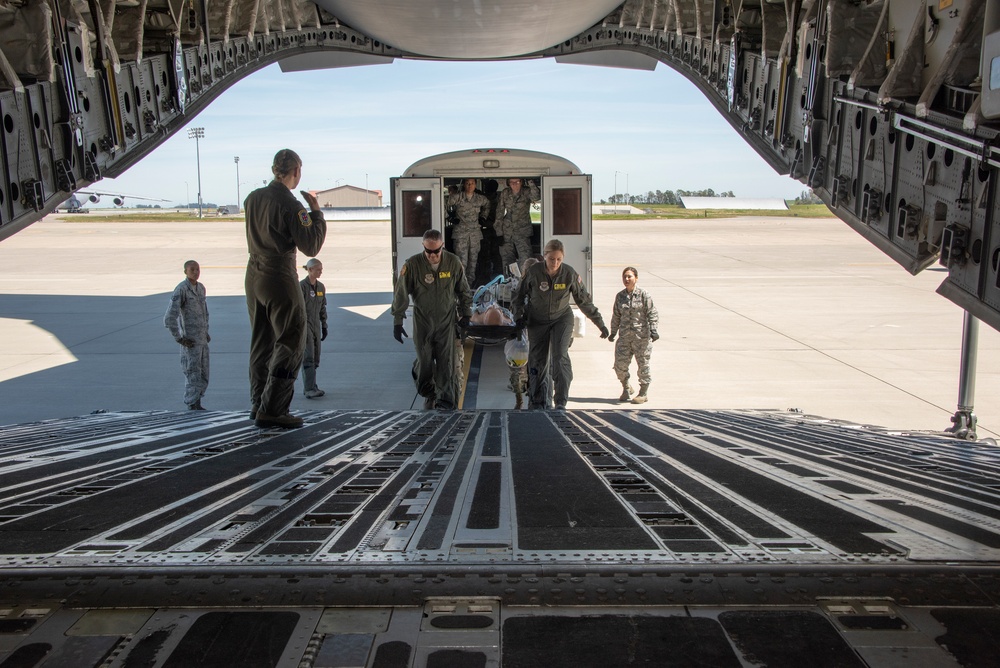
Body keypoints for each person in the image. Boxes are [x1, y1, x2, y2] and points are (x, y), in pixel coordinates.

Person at [244, 149, 326, 429]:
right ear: (296, 172)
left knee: (261, 340)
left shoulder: (253, 198)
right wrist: (316, 213)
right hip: (278, 274)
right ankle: (274, 408)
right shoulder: (293, 205)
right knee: (291, 338)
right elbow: (310, 247)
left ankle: (258, 404)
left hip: (253, 275)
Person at [512, 239, 610, 410]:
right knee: (537, 362)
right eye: (551, 259)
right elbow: (518, 296)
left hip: (561, 319)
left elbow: (584, 300)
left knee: (560, 357)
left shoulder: (569, 274)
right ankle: (537, 401)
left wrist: (599, 323)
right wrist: (518, 316)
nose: (555, 263)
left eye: (559, 259)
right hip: (537, 320)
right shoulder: (534, 272)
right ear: (545, 256)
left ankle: (561, 401)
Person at [391, 229, 472, 410]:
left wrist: (466, 314)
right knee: (424, 364)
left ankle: (445, 402)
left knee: (446, 365)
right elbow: (401, 293)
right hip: (423, 323)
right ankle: (429, 392)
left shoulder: (453, 262)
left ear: (442, 246)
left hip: (446, 322)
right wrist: (397, 320)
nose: (433, 256)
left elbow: (463, 290)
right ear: (423, 247)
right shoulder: (412, 265)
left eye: (436, 251)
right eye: (429, 251)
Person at [608, 266, 659, 404]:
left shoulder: (644, 295)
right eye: (624, 277)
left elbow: (652, 313)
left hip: (641, 338)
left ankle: (643, 393)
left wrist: (654, 329)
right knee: (619, 365)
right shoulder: (620, 296)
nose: (626, 279)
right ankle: (626, 388)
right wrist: (613, 332)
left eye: (629, 276)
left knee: (643, 366)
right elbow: (616, 315)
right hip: (624, 337)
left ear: (636, 278)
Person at [164, 260, 210, 410]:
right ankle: (192, 404)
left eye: (198, 269)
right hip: (190, 342)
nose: (196, 272)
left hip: (202, 341)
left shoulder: (201, 288)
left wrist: (206, 331)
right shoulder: (182, 289)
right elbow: (170, 317)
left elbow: (205, 312)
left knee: (204, 374)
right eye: (192, 270)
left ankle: (198, 402)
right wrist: (179, 338)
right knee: (192, 374)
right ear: (185, 271)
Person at [447, 178, 490, 284]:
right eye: (467, 183)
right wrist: (449, 217)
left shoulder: (480, 199)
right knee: (462, 261)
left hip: (475, 234)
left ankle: (470, 284)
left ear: (475, 185)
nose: (469, 185)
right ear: (464, 185)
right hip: (461, 233)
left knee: (473, 262)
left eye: (472, 183)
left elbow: (487, 205)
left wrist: (483, 217)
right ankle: (461, 285)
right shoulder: (457, 197)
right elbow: (442, 203)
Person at [494, 177, 540, 271]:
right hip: (507, 232)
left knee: (526, 259)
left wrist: (530, 181)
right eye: (511, 182)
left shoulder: (526, 192)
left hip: (522, 231)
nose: (514, 184)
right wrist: (499, 233)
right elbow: (499, 212)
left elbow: (536, 196)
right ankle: (509, 282)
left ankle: (524, 282)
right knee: (507, 261)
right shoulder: (505, 193)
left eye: (517, 182)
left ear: (522, 182)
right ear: (508, 183)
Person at [299, 258, 328, 399]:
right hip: (305, 326)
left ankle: (313, 385)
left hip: (316, 325)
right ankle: (309, 388)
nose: (320, 272)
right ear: (310, 270)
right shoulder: (301, 287)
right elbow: (297, 309)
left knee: (316, 357)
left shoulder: (321, 287)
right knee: (308, 357)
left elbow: (322, 307)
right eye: (318, 269)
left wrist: (324, 325)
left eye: (321, 269)